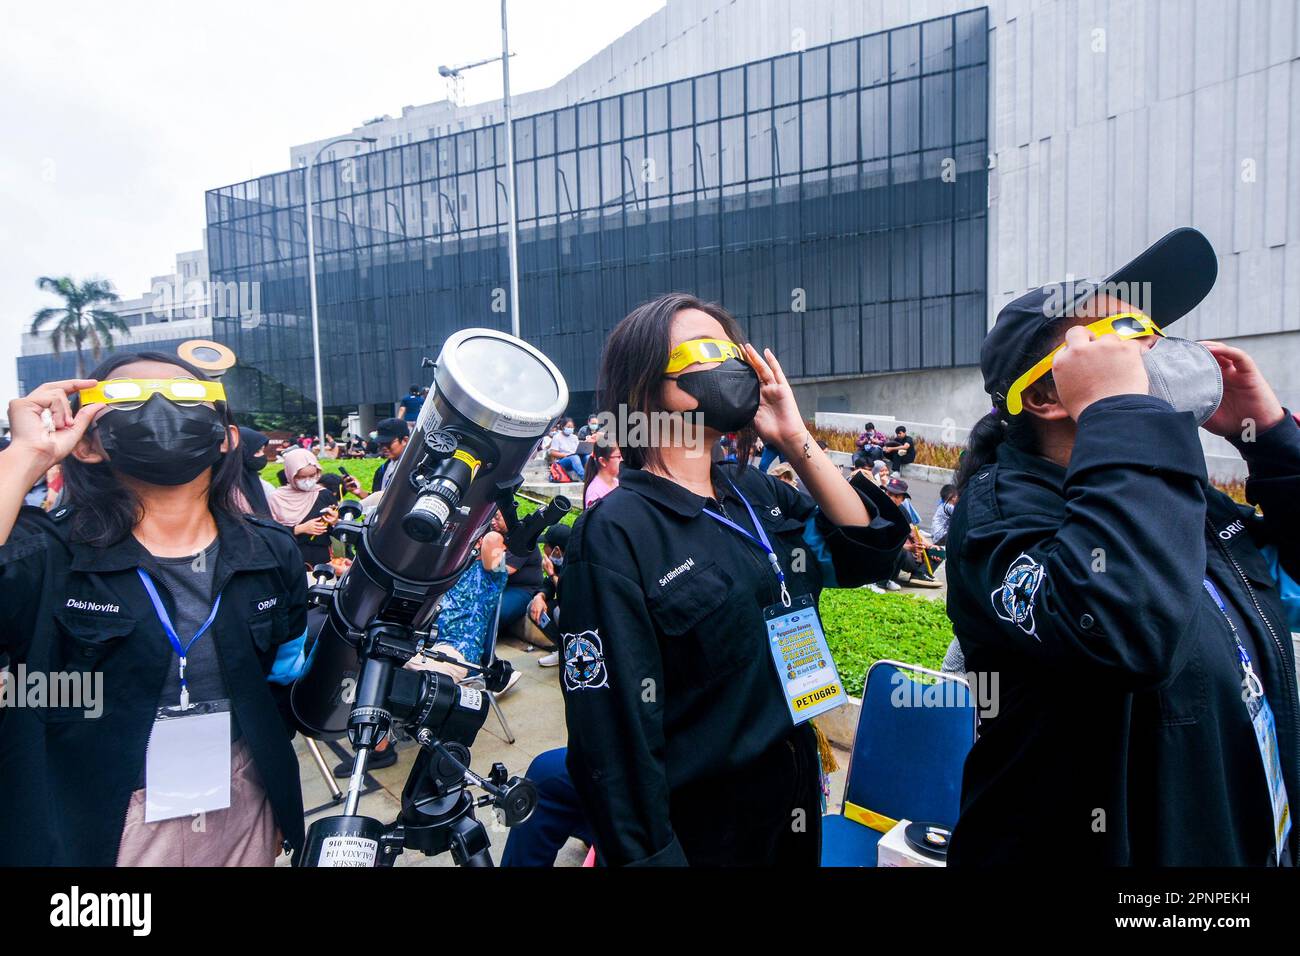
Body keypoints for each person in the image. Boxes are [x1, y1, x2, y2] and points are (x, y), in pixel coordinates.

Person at [945, 227, 1299, 866]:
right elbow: (1124, 632)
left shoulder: (1177, 496)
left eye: (1151, 327)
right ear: (1048, 393)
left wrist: (1270, 440)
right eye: (1125, 334)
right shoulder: (1001, 520)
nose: (1157, 343)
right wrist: (1124, 414)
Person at [558, 292, 908, 866]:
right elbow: (613, 743)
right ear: (645, 386)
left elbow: (866, 550)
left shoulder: (755, 492)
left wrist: (794, 439)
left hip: (794, 803)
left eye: (731, 348)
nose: (729, 362)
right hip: (706, 832)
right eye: (703, 350)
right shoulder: (616, 531)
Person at [0, 353, 311, 865]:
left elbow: (280, 681)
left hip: (239, 800)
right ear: (90, 444)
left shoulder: (270, 550)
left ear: (223, 435)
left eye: (187, 397)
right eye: (129, 398)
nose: (161, 407)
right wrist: (26, 456)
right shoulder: (48, 555)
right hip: (99, 817)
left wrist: (270, 797)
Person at [269, 448, 339, 570]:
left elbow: (339, 533)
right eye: (301, 477)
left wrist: (335, 522)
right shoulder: (276, 498)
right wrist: (299, 529)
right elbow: (270, 533)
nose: (308, 481)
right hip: (288, 560)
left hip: (320, 561)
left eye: (312, 475)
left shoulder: (324, 494)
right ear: (290, 474)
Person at [343, 418, 409, 505]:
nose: (383, 447)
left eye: (388, 443)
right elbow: (378, 504)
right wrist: (359, 492)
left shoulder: (415, 469)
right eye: (381, 443)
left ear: (405, 440)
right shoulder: (381, 471)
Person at [532, 523, 570, 667]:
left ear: (557, 550)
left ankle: (573, 650)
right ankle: (563, 651)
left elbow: (570, 593)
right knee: (535, 608)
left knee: (559, 611)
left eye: (545, 545)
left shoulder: (576, 562)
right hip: (566, 605)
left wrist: (552, 573)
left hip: (582, 614)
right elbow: (548, 585)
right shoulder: (557, 562)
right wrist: (539, 596)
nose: (543, 549)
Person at [232, 426, 276, 518]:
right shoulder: (228, 490)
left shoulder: (254, 479)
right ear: (240, 452)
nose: (262, 455)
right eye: (257, 451)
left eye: (263, 450)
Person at [582, 439, 622, 507]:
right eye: (619, 457)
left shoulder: (617, 482)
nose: (622, 460)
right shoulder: (595, 493)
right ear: (602, 461)